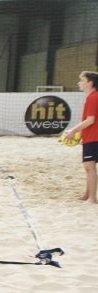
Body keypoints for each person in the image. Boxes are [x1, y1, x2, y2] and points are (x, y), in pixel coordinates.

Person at [63, 71, 98, 203]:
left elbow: (90, 120)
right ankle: (87, 194)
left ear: (90, 83)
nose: (79, 83)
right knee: (90, 167)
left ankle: (92, 198)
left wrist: (73, 130)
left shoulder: (93, 97)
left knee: (90, 167)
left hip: (94, 138)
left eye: (82, 80)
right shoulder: (93, 97)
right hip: (91, 137)